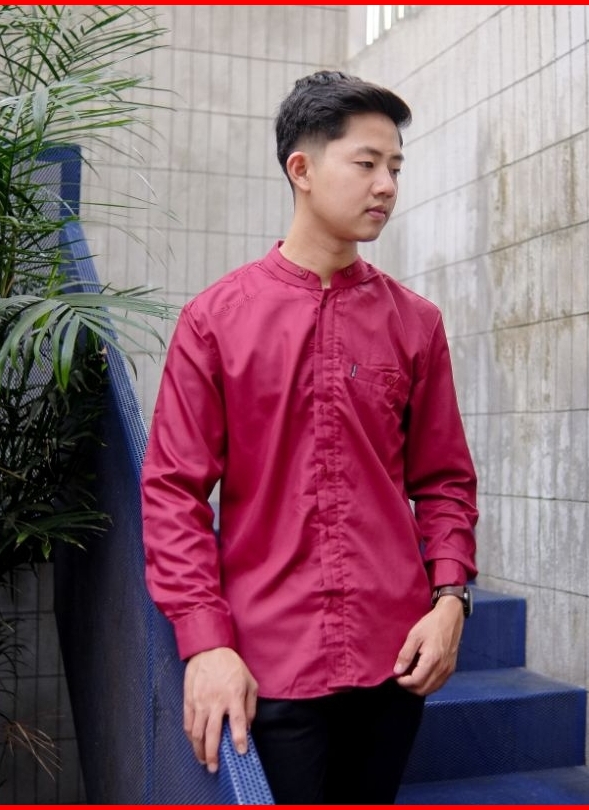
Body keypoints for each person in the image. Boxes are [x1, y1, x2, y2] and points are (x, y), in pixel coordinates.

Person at [140, 70, 478, 805]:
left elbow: (445, 480)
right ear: (302, 168)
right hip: (266, 664)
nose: (386, 185)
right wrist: (206, 641)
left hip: (395, 659)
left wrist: (451, 599)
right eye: (367, 163)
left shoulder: (415, 322)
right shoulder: (215, 321)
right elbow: (173, 493)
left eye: (395, 167)